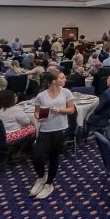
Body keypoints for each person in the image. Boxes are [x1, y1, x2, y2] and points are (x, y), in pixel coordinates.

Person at [29, 71, 76, 199]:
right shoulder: (41, 96)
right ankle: (41, 177)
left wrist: (59, 110)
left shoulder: (66, 92)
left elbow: (71, 110)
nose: (65, 79)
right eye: (62, 77)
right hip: (45, 129)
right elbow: (37, 112)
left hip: (60, 129)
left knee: (53, 157)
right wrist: (39, 117)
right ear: (54, 81)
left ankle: (49, 184)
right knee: (36, 156)